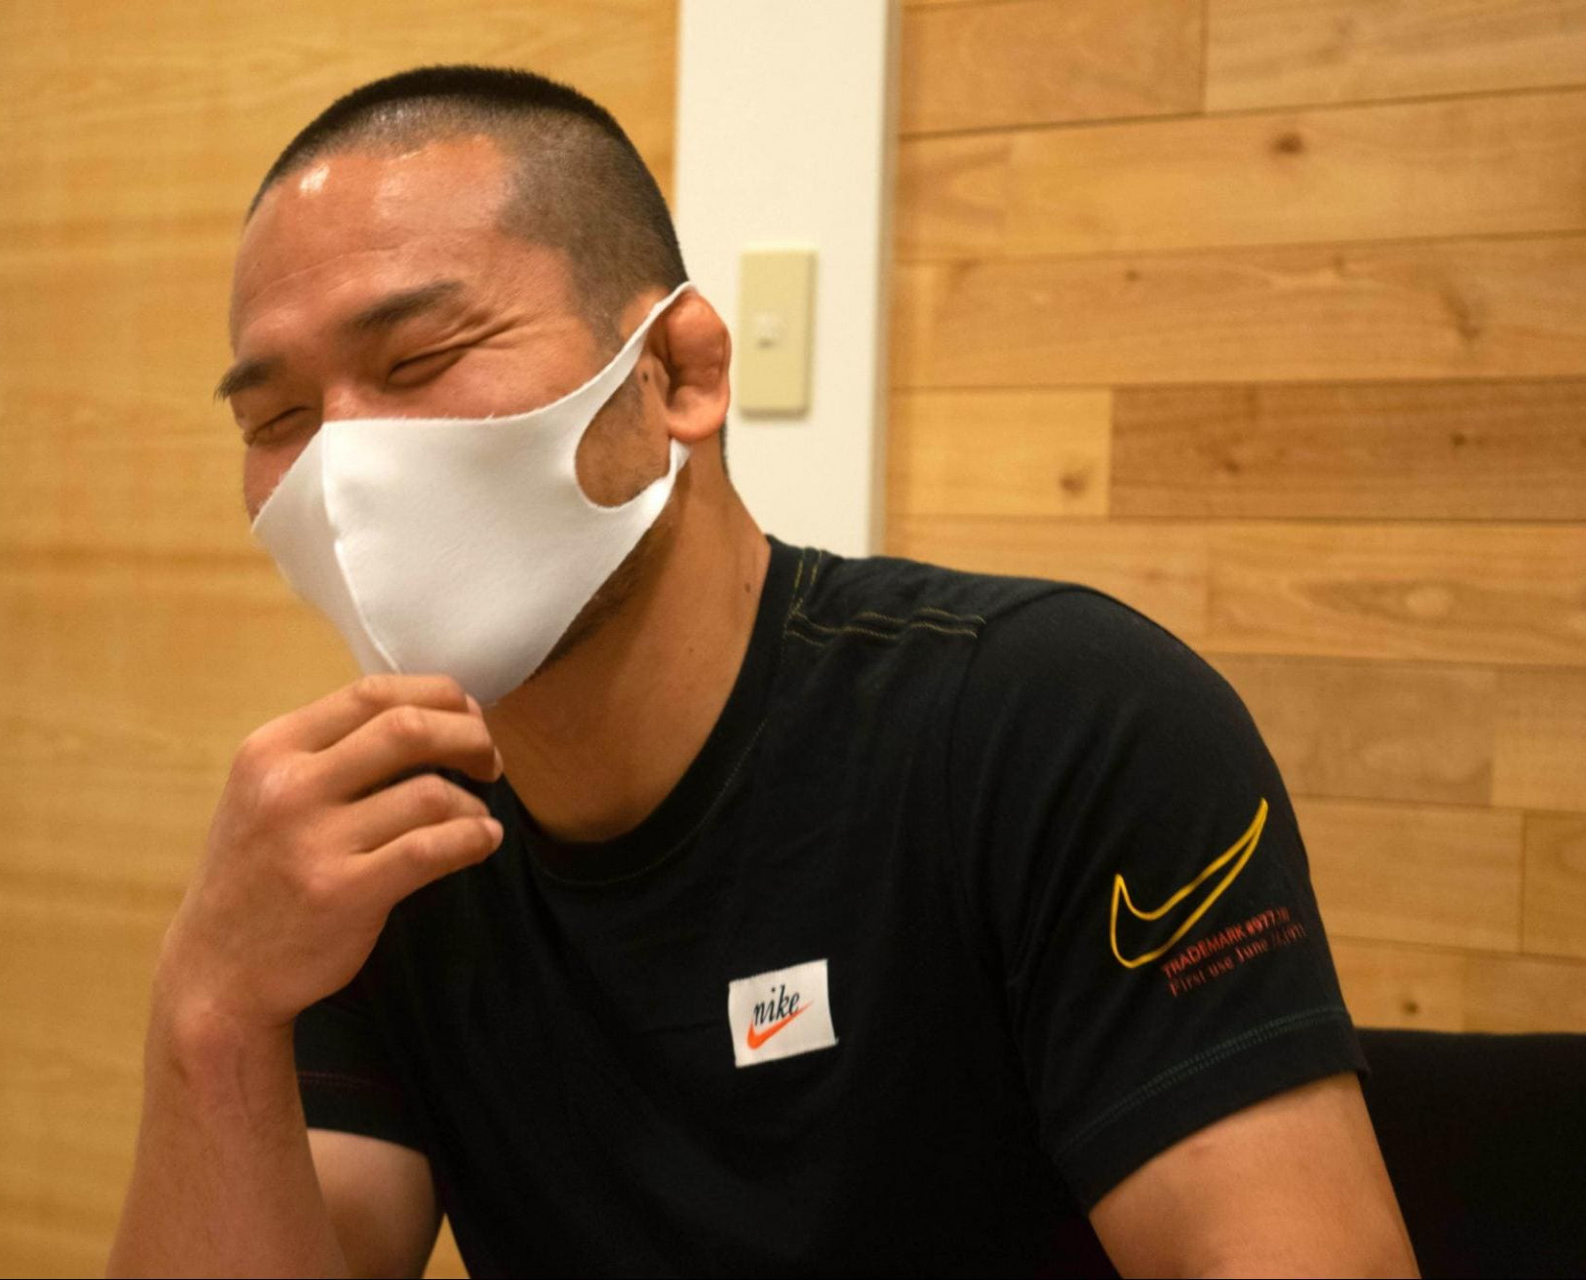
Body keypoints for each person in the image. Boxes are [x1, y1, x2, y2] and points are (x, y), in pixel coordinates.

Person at [109, 65, 1418, 1277]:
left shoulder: (1060, 723)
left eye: (418, 361)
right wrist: (211, 1005)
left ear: (679, 372)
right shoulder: (386, 847)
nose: (341, 468)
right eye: (278, 418)